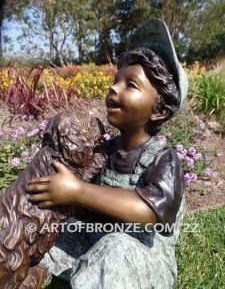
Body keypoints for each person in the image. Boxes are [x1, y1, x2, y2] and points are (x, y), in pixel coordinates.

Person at [27, 19, 188, 289]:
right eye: (116, 81)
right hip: (97, 237)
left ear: (159, 110)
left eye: (131, 85)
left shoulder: (163, 159)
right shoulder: (105, 150)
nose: (114, 88)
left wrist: (77, 191)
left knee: (115, 250)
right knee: (49, 234)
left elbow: (151, 212)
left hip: (140, 255)